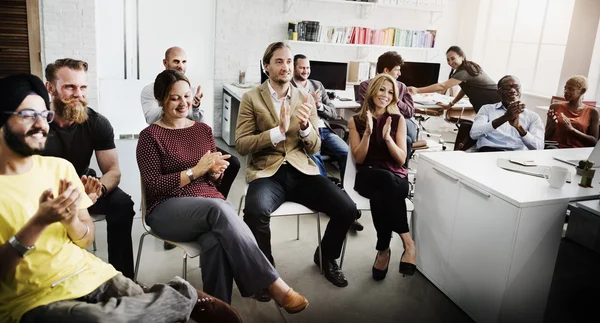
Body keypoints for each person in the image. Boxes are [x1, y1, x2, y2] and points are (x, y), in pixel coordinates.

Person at [0, 73, 242, 323]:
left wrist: (72, 218)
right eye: (29, 115)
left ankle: (151, 298)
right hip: (33, 298)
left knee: (124, 207)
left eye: (44, 115)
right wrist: (39, 222)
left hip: (90, 274)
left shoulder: (59, 168)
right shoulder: (151, 136)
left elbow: (86, 238)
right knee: (102, 320)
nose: (41, 124)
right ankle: (180, 297)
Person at [136, 69, 309, 313]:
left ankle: (219, 312)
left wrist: (215, 173)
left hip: (205, 205)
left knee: (215, 240)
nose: (183, 102)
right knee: (219, 208)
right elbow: (154, 185)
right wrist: (196, 171)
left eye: (186, 96)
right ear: (161, 99)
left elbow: (212, 183)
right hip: (165, 210)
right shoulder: (149, 137)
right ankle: (272, 283)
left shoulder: (202, 130)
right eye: (175, 98)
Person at [235, 42, 357, 295]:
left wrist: (304, 129)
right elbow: (242, 144)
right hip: (267, 171)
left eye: (289, 61)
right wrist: (276, 134)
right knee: (255, 212)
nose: (286, 67)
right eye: (279, 61)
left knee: (347, 209)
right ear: (266, 65)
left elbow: (314, 147)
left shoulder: (305, 97)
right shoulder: (251, 98)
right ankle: (265, 273)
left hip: (302, 171)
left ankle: (325, 257)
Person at [42, 58, 136, 279]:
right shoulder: (37, 124)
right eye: (69, 87)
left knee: (122, 204)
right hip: (45, 191)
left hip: (84, 185)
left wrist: (98, 189)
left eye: (83, 87)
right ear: (50, 88)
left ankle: (123, 277)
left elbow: (113, 170)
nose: (78, 94)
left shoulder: (97, 123)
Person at [140, 46, 241, 250]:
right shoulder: (151, 95)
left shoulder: (201, 124)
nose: (181, 65)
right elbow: (152, 119)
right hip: (171, 191)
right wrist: (196, 171)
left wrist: (193, 106)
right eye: (177, 62)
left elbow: (193, 120)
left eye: (184, 62)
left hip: (200, 186)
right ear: (165, 63)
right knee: (221, 212)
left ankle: (213, 210)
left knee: (232, 165)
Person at [348, 74, 416, 281]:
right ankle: (408, 243)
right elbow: (359, 158)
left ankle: (383, 250)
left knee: (382, 196)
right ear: (372, 91)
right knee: (384, 183)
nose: (385, 95)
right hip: (368, 175)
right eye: (381, 90)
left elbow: (402, 158)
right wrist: (368, 133)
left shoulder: (398, 119)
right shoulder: (356, 120)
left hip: (396, 178)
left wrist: (387, 139)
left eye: (390, 92)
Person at [291, 54, 364, 232]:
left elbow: (332, 112)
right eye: (302, 68)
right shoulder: (288, 87)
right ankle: (334, 203)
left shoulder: (317, 86)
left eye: (308, 68)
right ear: (294, 68)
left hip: (323, 130)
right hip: (305, 133)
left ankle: (347, 196)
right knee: (316, 161)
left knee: (347, 154)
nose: (305, 71)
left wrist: (319, 106)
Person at [407, 46, 502, 150]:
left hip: (492, 101)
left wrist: (417, 90)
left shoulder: (465, 71)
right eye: (448, 59)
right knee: (487, 131)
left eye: (453, 58)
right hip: (487, 102)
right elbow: (465, 89)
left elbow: (442, 86)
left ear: (462, 57)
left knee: (492, 132)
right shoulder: (467, 68)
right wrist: (450, 104)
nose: (450, 62)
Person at [470, 75, 544, 151]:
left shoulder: (533, 116)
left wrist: (519, 127)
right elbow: (474, 134)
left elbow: (538, 147)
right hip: (489, 152)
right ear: (499, 92)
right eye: (506, 87)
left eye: (516, 86)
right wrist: (504, 118)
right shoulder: (487, 109)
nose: (512, 90)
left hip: (517, 156)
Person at [545, 75, 599, 148]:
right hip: (555, 149)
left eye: (570, 89)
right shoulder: (555, 107)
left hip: (577, 152)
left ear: (582, 91)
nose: (566, 91)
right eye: (565, 88)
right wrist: (553, 124)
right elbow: (545, 137)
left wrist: (572, 130)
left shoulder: (592, 112)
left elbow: (594, 142)